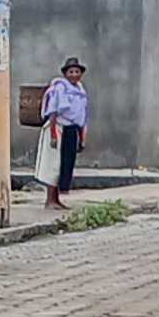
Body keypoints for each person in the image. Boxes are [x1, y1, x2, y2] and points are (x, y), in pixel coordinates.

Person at [38, 56, 90, 210]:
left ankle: (57, 199)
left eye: (77, 72)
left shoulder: (80, 91)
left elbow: (82, 115)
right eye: (71, 72)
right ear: (65, 74)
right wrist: (53, 134)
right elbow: (53, 112)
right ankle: (50, 200)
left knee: (65, 165)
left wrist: (82, 138)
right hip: (59, 127)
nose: (74, 75)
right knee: (53, 164)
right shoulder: (59, 88)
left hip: (72, 129)